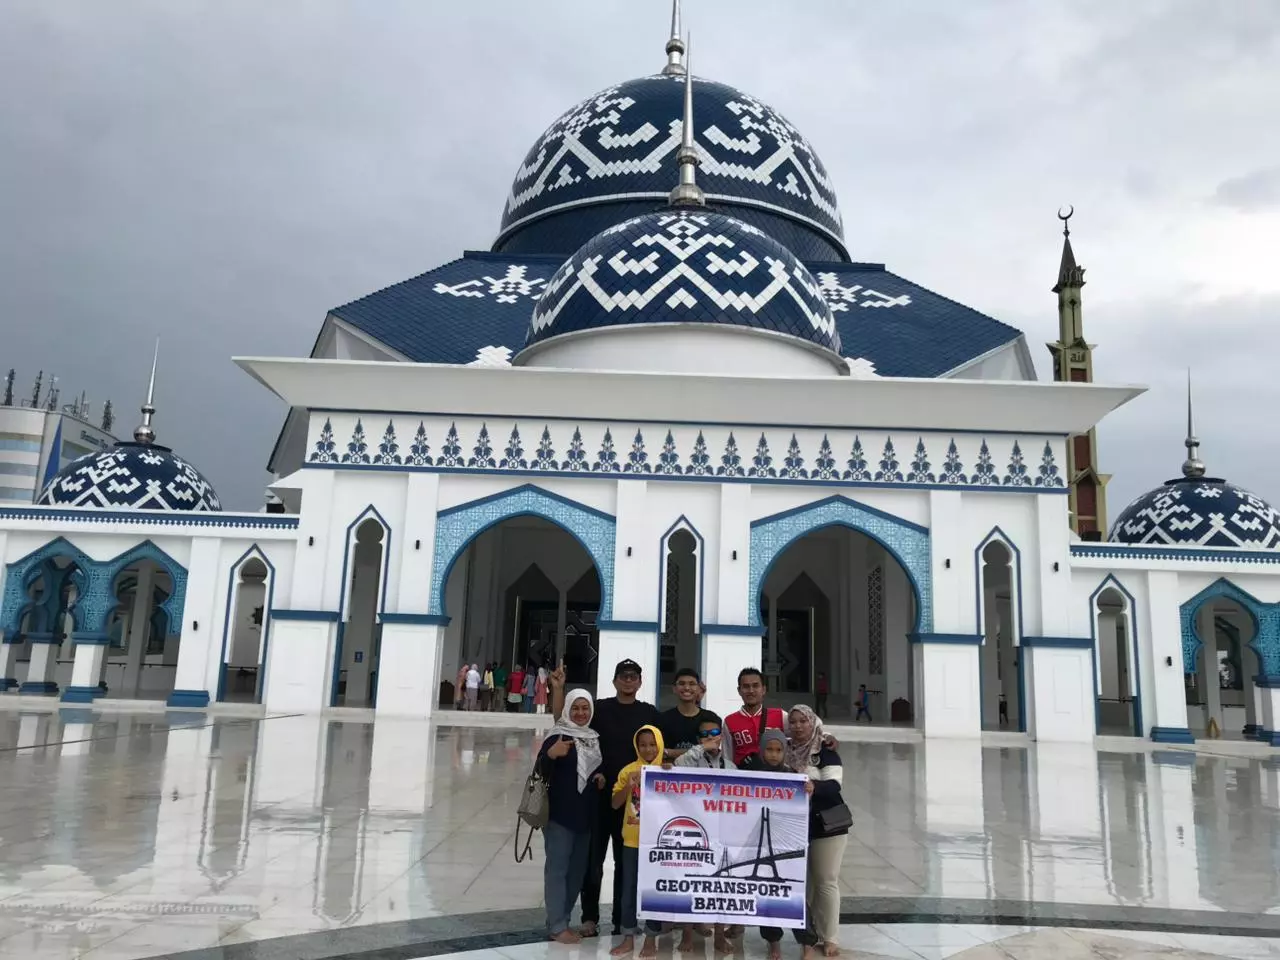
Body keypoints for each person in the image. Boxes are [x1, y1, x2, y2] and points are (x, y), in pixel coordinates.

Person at [551, 658, 660, 938]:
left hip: (633, 803)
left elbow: (661, 746)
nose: (628, 680)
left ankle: (622, 919)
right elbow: (564, 721)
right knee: (592, 861)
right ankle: (589, 917)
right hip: (598, 798)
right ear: (614, 681)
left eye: (633, 676)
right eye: (623, 676)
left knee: (627, 862)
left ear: (640, 682)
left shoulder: (648, 712)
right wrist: (559, 689)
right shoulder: (599, 708)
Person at [538, 688, 606, 944]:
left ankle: (562, 920)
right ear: (567, 709)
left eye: (585, 708)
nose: (580, 713)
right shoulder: (557, 736)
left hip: (585, 817)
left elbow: (595, 769)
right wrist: (550, 755)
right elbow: (539, 770)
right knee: (557, 870)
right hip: (560, 816)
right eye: (575, 708)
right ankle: (557, 925)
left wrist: (600, 776)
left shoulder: (593, 738)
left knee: (576, 872)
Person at [786, 705, 849, 957]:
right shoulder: (784, 749)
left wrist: (814, 786)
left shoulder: (825, 750)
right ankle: (809, 938)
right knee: (805, 884)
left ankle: (830, 936)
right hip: (796, 827)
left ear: (813, 723)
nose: (798, 726)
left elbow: (835, 785)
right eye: (793, 722)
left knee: (825, 881)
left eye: (804, 721)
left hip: (826, 825)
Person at [749, 728, 817, 958]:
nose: (774, 755)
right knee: (767, 895)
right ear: (762, 751)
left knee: (795, 893)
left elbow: (803, 811)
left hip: (788, 843)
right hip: (760, 842)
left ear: (785, 752)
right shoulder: (753, 776)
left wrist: (807, 794)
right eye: (769, 749)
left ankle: (807, 943)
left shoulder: (794, 776)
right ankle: (773, 941)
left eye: (779, 750)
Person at [673, 714, 734, 954]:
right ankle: (687, 934)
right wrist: (701, 748)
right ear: (699, 739)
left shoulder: (730, 766)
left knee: (721, 887)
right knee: (692, 884)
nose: (710, 738)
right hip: (697, 833)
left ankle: (719, 935)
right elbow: (677, 766)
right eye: (705, 735)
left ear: (721, 736)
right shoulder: (692, 761)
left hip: (722, 834)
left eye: (715, 733)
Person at [609, 725, 666, 957]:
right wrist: (629, 786)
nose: (648, 749)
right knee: (629, 890)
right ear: (636, 746)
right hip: (632, 842)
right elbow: (614, 803)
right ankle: (628, 937)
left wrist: (669, 772)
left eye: (652, 744)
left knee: (653, 891)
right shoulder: (629, 770)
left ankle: (651, 939)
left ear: (660, 745)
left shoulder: (667, 770)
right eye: (643, 745)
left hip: (658, 844)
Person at [725, 668, 787, 766]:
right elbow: (727, 758)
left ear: (763, 689)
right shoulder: (729, 721)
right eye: (746, 686)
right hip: (742, 774)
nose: (751, 691)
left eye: (755, 686)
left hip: (775, 774)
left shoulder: (781, 715)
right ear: (739, 691)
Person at [658, 667, 713, 761]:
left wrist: (671, 752)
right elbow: (660, 753)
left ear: (699, 689)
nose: (687, 688)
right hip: (672, 769)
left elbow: (712, 750)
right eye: (682, 683)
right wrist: (701, 749)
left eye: (692, 684)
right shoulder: (662, 719)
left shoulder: (711, 718)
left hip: (703, 769)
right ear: (674, 689)